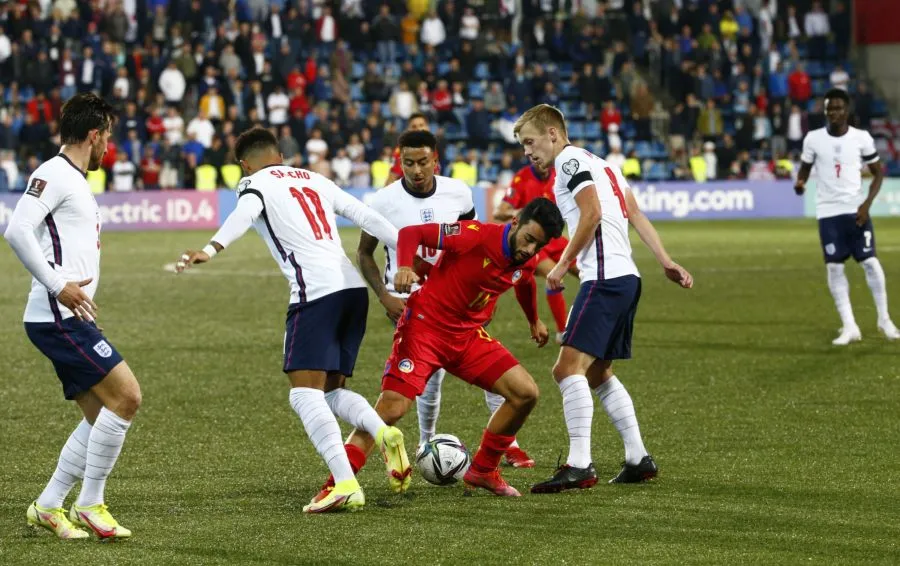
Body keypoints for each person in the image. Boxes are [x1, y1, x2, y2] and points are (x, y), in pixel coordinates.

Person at [174, 127, 409, 513]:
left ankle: (346, 484)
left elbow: (245, 214)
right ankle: (384, 434)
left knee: (303, 394)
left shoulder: (254, 183)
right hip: (353, 291)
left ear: (244, 164)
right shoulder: (315, 178)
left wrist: (210, 248)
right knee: (330, 391)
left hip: (315, 293)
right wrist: (412, 248)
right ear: (280, 155)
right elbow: (365, 215)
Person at [319, 198, 564, 498]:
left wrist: (534, 320)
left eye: (537, 246)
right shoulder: (475, 234)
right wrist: (406, 266)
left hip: (467, 337)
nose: (529, 250)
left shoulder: (524, 257)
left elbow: (525, 280)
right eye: (528, 239)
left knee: (526, 393)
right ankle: (338, 483)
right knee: (392, 408)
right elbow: (412, 233)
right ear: (515, 223)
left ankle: (483, 471)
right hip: (425, 329)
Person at [514, 104, 694, 492]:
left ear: (553, 134)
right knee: (597, 371)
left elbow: (591, 213)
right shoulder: (604, 163)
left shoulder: (567, 163)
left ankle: (579, 464)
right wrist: (665, 261)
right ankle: (638, 458)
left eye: (531, 142)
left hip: (605, 278)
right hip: (627, 277)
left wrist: (561, 265)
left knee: (565, 370)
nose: (528, 152)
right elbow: (635, 213)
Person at [358, 130, 536, 467]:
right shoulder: (383, 201)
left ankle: (508, 444)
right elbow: (364, 253)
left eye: (423, 162)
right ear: (400, 162)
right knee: (427, 378)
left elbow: (474, 243)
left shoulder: (458, 192)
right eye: (408, 163)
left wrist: (481, 297)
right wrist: (384, 296)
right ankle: (426, 442)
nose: (416, 170)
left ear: (435, 160)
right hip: (408, 300)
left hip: (458, 299)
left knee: (495, 368)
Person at [4, 93, 138, 539]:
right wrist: (57, 284)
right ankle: (91, 504)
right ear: (94, 135)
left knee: (101, 414)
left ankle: (47, 505)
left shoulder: (76, 179)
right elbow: (17, 230)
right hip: (56, 316)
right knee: (127, 397)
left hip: (69, 316)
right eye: (108, 138)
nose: (109, 149)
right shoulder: (54, 174)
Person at [794, 89, 899, 345]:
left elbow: (878, 173)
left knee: (870, 262)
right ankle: (849, 325)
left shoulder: (861, 138)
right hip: (828, 212)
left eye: (838, 108)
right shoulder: (813, 139)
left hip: (855, 210)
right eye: (829, 108)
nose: (834, 113)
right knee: (834, 266)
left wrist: (866, 204)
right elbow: (805, 168)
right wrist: (801, 182)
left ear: (847, 111)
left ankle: (884, 319)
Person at [493, 163, 580, 344]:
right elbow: (499, 213)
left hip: (555, 240)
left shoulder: (559, 175)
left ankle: (599, 319)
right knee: (554, 277)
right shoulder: (522, 178)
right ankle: (562, 332)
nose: (542, 164)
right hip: (533, 243)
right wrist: (522, 211)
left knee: (585, 272)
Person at [385, 112, 441, 185]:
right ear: (409, 130)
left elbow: (436, 175)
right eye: (414, 126)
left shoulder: (432, 149)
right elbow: (392, 177)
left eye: (421, 125)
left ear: (427, 127)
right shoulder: (401, 151)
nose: (418, 129)